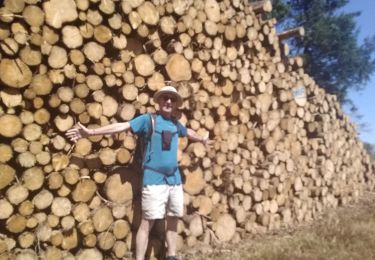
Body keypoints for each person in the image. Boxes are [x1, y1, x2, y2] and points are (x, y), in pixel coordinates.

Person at [66, 86, 212, 260]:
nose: (168, 101)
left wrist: (202, 138)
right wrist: (91, 132)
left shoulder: (175, 123)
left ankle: (172, 256)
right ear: (158, 101)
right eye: (165, 97)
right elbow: (121, 126)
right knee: (147, 223)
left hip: (174, 180)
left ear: (175, 105)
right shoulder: (148, 120)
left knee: (173, 218)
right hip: (154, 179)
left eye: (172, 99)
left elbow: (187, 131)